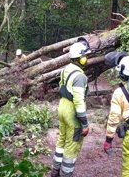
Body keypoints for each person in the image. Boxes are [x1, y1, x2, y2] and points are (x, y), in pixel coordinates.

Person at [51, 41, 91, 177]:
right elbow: (79, 101)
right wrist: (85, 123)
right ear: (80, 58)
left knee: (61, 140)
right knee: (72, 145)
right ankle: (66, 174)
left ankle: (55, 171)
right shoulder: (80, 76)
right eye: (85, 56)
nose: (87, 59)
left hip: (62, 107)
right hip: (72, 113)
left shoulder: (66, 69)